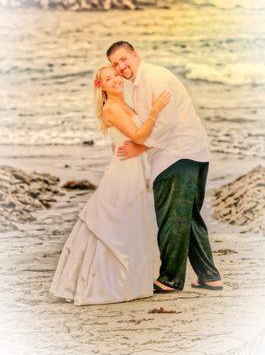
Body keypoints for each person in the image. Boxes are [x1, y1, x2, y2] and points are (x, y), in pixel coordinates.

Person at [49, 65, 172, 305]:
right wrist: (156, 110)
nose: (115, 79)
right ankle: (105, 283)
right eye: (108, 78)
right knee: (117, 220)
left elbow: (126, 138)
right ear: (101, 86)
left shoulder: (126, 104)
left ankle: (132, 278)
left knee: (132, 220)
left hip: (135, 167)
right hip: (124, 170)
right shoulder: (112, 108)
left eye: (116, 74)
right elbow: (138, 136)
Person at [107, 41, 223, 292]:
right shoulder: (138, 85)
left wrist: (140, 148)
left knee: (171, 217)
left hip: (177, 155)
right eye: (115, 64)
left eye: (124, 59)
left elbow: (166, 122)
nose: (121, 66)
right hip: (191, 152)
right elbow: (145, 122)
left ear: (135, 54)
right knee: (187, 217)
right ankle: (210, 276)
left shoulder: (153, 78)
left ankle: (170, 279)